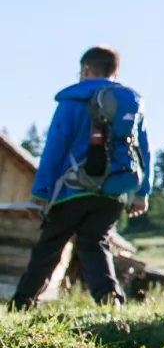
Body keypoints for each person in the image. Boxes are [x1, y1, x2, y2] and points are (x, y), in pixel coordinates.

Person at [12, 46, 150, 309]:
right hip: (113, 192)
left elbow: (55, 147)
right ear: (115, 71)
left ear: (85, 70)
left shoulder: (73, 101)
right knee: (94, 244)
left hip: (72, 190)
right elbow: (143, 150)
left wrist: (40, 193)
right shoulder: (129, 104)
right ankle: (110, 298)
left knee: (50, 247)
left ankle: (23, 302)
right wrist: (141, 193)